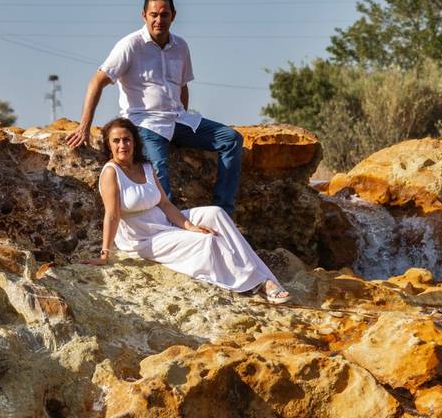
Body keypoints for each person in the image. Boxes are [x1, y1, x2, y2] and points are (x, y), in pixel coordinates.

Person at [66, 0, 243, 215]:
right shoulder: (130, 45)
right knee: (158, 172)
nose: (159, 20)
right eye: (154, 15)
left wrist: (182, 131)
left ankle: (223, 213)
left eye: (164, 14)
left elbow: (183, 86)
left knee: (231, 139)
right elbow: (96, 82)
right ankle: (168, 232)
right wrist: (84, 125)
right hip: (145, 123)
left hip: (179, 119)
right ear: (144, 15)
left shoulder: (181, 46)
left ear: (173, 16)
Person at [84, 117, 289, 304]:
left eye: (126, 139)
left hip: (162, 221)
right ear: (108, 145)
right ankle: (255, 284)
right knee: (207, 241)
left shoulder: (145, 166)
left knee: (216, 213)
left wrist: (189, 226)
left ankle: (266, 277)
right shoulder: (111, 173)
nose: (122, 145)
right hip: (142, 237)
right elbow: (111, 215)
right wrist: (105, 255)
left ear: (134, 141)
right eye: (116, 141)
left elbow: (164, 204)